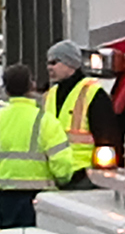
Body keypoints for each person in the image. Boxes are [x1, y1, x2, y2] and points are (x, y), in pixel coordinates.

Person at [0, 57, 69, 229]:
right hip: (40, 195)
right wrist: (62, 180)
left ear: (6, 90)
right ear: (31, 86)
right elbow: (62, 166)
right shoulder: (46, 122)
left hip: (5, 194)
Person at [42, 40, 108, 183]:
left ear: (70, 64)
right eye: (48, 63)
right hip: (54, 175)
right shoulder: (50, 95)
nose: (49, 68)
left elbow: (107, 139)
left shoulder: (93, 93)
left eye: (54, 62)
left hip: (84, 175)